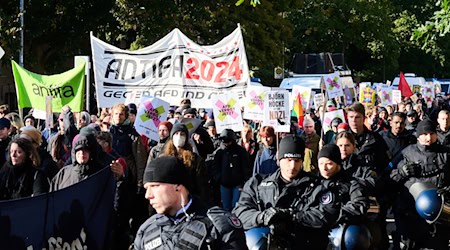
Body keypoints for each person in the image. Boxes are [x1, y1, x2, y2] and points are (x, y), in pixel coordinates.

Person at [233, 135, 341, 249]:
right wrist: (261, 217)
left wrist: (292, 215)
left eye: (297, 160)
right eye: (289, 160)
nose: (293, 166)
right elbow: (240, 213)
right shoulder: (257, 184)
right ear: (279, 159)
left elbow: (326, 215)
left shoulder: (319, 186)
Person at [133, 156, 247, 250]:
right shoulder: (146, 230)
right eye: (146, 188)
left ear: (177, 186)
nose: (148, 195)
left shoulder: (219, 225)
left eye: (154, 186)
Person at [390, 119, 450, 249]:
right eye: (424, 134)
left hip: (439, 212)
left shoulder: (445, 153)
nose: (428, 137)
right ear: (418, 136)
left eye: (432, 133)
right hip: (411, 211)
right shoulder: (406, 153)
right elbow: (389, 177)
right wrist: (402, 172)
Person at [109, 103, 148, 235]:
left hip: (128, 180)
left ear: (125, 115)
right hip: (111, 179)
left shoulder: (133, 136)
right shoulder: (108, 133)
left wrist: (139, 183)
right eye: (116, 114)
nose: (118, 117)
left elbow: (140, 161)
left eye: (121, 114)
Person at [160, 123, 210, 204]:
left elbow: (202, 184)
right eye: (176, 134)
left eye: (182, 134)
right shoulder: (163, 158)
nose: (179, 136)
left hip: (189, 199)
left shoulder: (195, 159)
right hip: (169, 199)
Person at [212, 129, 250, 211]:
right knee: (226, 207)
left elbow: (246, 167)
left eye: (228, 141)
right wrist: (219, 178)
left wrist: (245, 182)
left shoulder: (240, 151)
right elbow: (215, 167)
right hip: (224, 184)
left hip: (238, 184)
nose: (226, 143)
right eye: (223, 140)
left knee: (236, 206)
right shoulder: (219, 152)